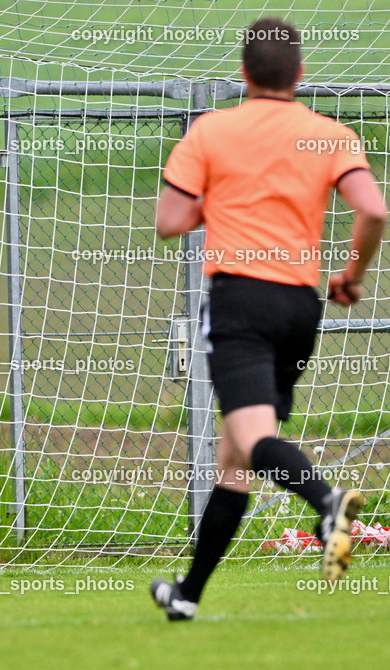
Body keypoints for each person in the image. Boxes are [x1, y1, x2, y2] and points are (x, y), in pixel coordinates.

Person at [150, 17, 387, 620]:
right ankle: (187, 596)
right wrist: (352, 275)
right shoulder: (330, 133)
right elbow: (373, 211)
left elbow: (170, 220)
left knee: (253, 443)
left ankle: (328, 501)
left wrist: (223, 201)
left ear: (243, 74)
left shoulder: (213, 130)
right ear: (300, 75)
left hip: (241, 302)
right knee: (235, 461)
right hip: (299, 306)